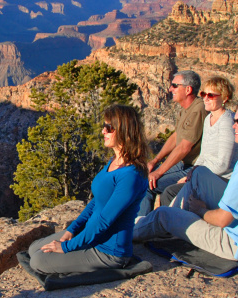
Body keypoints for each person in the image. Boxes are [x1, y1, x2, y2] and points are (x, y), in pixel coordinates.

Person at [133, 97, 238, 262]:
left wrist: (200, 211)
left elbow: (222, 220)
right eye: (234, 121)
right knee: (200, 173)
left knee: (163, 215)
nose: (234, 126)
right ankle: (174, 219)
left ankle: (132, 231)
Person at [26, 105, 149, 275]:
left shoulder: (131, 176)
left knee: (38, 260)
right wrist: (72, 229)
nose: (103, 132)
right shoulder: (114, 162)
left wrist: (67, 247)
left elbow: (104, 221)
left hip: (108, 251)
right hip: (91, 235)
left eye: (109, 128)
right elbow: (96, 202)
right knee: (34, 249)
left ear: (125, 130)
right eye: (104, 127)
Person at [160, 76, 238, 207]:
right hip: (203, 175)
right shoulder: (209, 118)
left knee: (170, 193)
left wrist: (194, 176)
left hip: (221, 180)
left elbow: (223, 164)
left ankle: (172, 225)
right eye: (203, 94)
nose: (206, 98)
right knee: (171, 192)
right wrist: (190, 175)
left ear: (225, 98)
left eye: (211, 95)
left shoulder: (227, 121)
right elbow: (203, 155)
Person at [137, 70, 208, 217]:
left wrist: (159, 172)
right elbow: (176, 137)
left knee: (147, 185)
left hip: (195, 168)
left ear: (188, 89)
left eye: (175, 86)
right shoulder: (186, 110)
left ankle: (142, 228)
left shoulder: (198, 109)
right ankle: (150, 224)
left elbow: (184, 147)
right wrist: (155, 161)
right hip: (184, 164)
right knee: (146, 177)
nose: (170, 89)